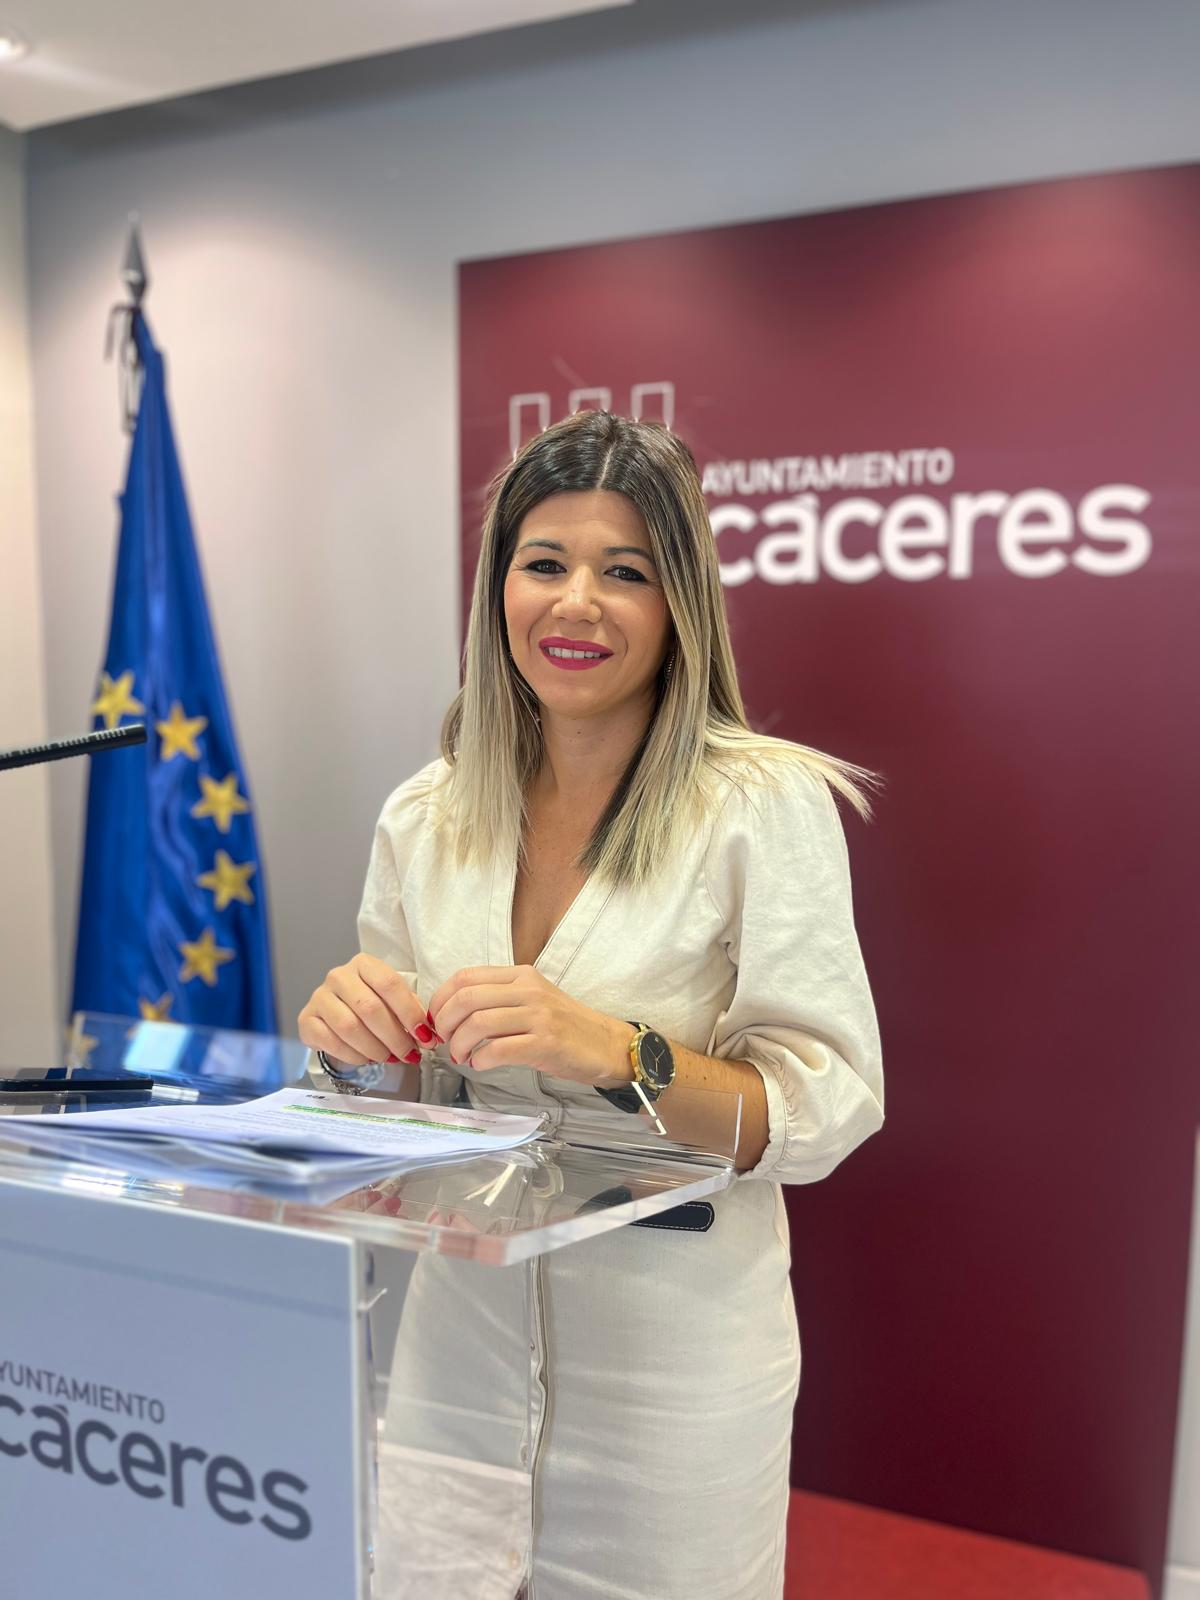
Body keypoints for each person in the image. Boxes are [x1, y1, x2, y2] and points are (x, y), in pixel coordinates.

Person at [298, 409, 885, 1600]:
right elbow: (401, 1100)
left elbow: (826, 1110)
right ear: (497, 588)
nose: (577, 604)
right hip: (457, 1348)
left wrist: (621, 1050)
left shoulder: (761, 805)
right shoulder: (426, 812)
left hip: (674, 1375)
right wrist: (356, 1049)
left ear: (681, 605)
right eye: (545, 563)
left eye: (626, 571)